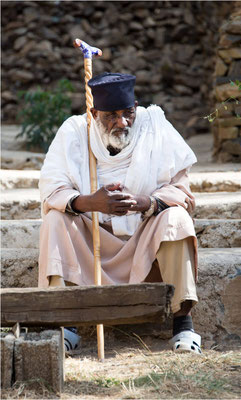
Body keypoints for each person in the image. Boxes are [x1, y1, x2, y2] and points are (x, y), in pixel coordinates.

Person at [38, 72, 201, 354]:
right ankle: (63, 326)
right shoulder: (74, 132)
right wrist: (90, 203)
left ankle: (183, 328)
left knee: (176, 219)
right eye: (111, 116)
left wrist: (144, 203)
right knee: (55, 220)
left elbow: (182, 190)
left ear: (136, 106)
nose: (122, 122)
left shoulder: (155, 126)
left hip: (144, 243)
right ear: (94, 113)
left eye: (128, 113)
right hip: (91, 244)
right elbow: (52, 191)